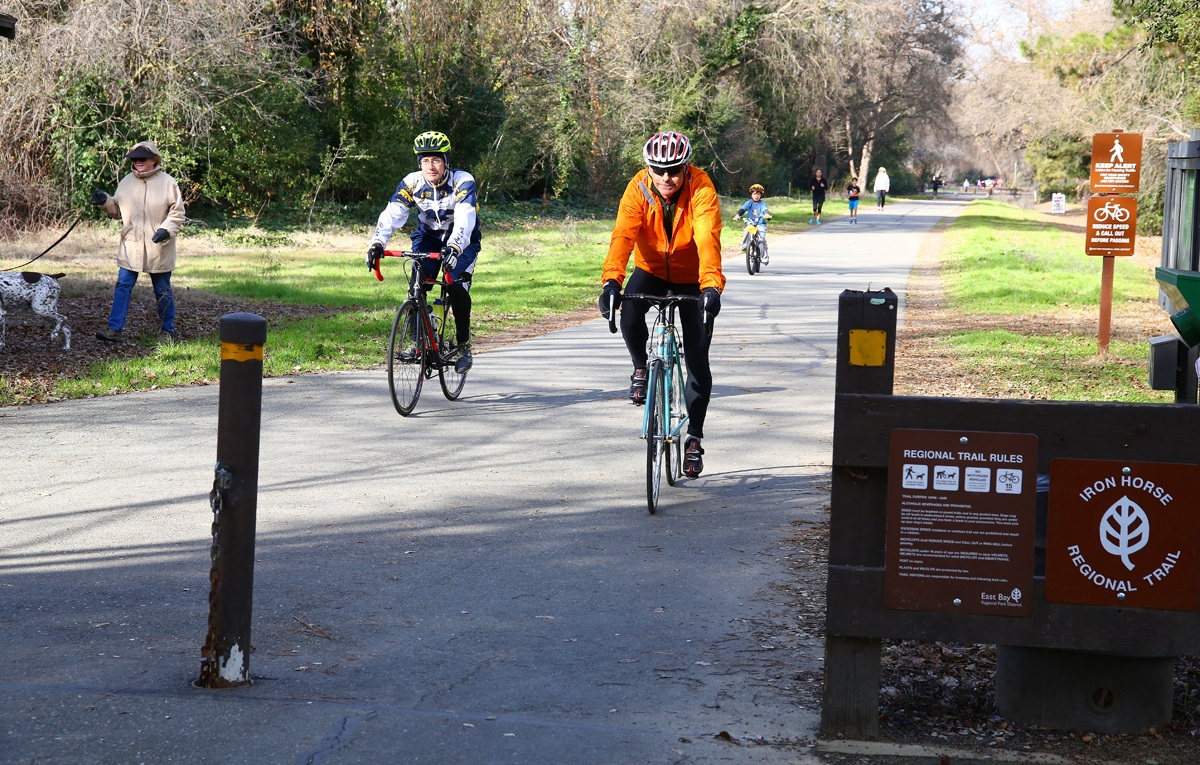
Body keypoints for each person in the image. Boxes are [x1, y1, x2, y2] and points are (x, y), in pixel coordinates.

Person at [599, 131, 725, 479]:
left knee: (698, 357)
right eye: (659, 170)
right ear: (648, 168)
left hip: (691, 275)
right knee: (629, 312)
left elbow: (707, 236)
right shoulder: (638, 187)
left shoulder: (701, 187)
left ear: (685, 167)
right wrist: (611, 281)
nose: (666, 178)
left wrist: (711, 285)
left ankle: (695, 439)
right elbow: (623, 234)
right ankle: (641, 367)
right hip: (651, 269)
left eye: (673, 170)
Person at [367, 131, 480, 374]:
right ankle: (416, 342)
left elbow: (465, 217)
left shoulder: (462, 181)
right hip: (428, 236)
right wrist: (377, 243)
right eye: (425, 161)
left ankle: (463, 346)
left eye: (436, 160)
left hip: (463, 239)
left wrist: (455, 247)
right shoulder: (412, 183)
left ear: (446, 161)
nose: (431, 166)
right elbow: (392, 213)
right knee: (417, 284)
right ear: (419, 163)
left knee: (456, 286)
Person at [91, 141, 187, 343]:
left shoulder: (168, 183)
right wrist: (104, 202)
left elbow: (177, 213)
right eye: (135, 159)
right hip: (130, 245)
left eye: (142, 158)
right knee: (123, 285)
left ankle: (167, 331)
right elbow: (117, 211)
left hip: (158, 247)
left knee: (162, 289)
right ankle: (114, 329)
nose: (138, 162)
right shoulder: (126, 182)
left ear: (154, 160)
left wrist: (166, 229)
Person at [733, 183, 771, 264]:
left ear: (761, 195)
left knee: (761, 240)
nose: (756, 196)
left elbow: (765, 210)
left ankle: (764, 257)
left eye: (758, 194)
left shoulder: (762, 203)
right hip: (750, 222)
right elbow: (742, 209)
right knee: (747, 230)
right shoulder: (749, 203)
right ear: (751, 195)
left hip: (760, 224)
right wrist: (737, 215)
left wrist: (766, 215)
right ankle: (745, 246)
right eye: (754, 194)